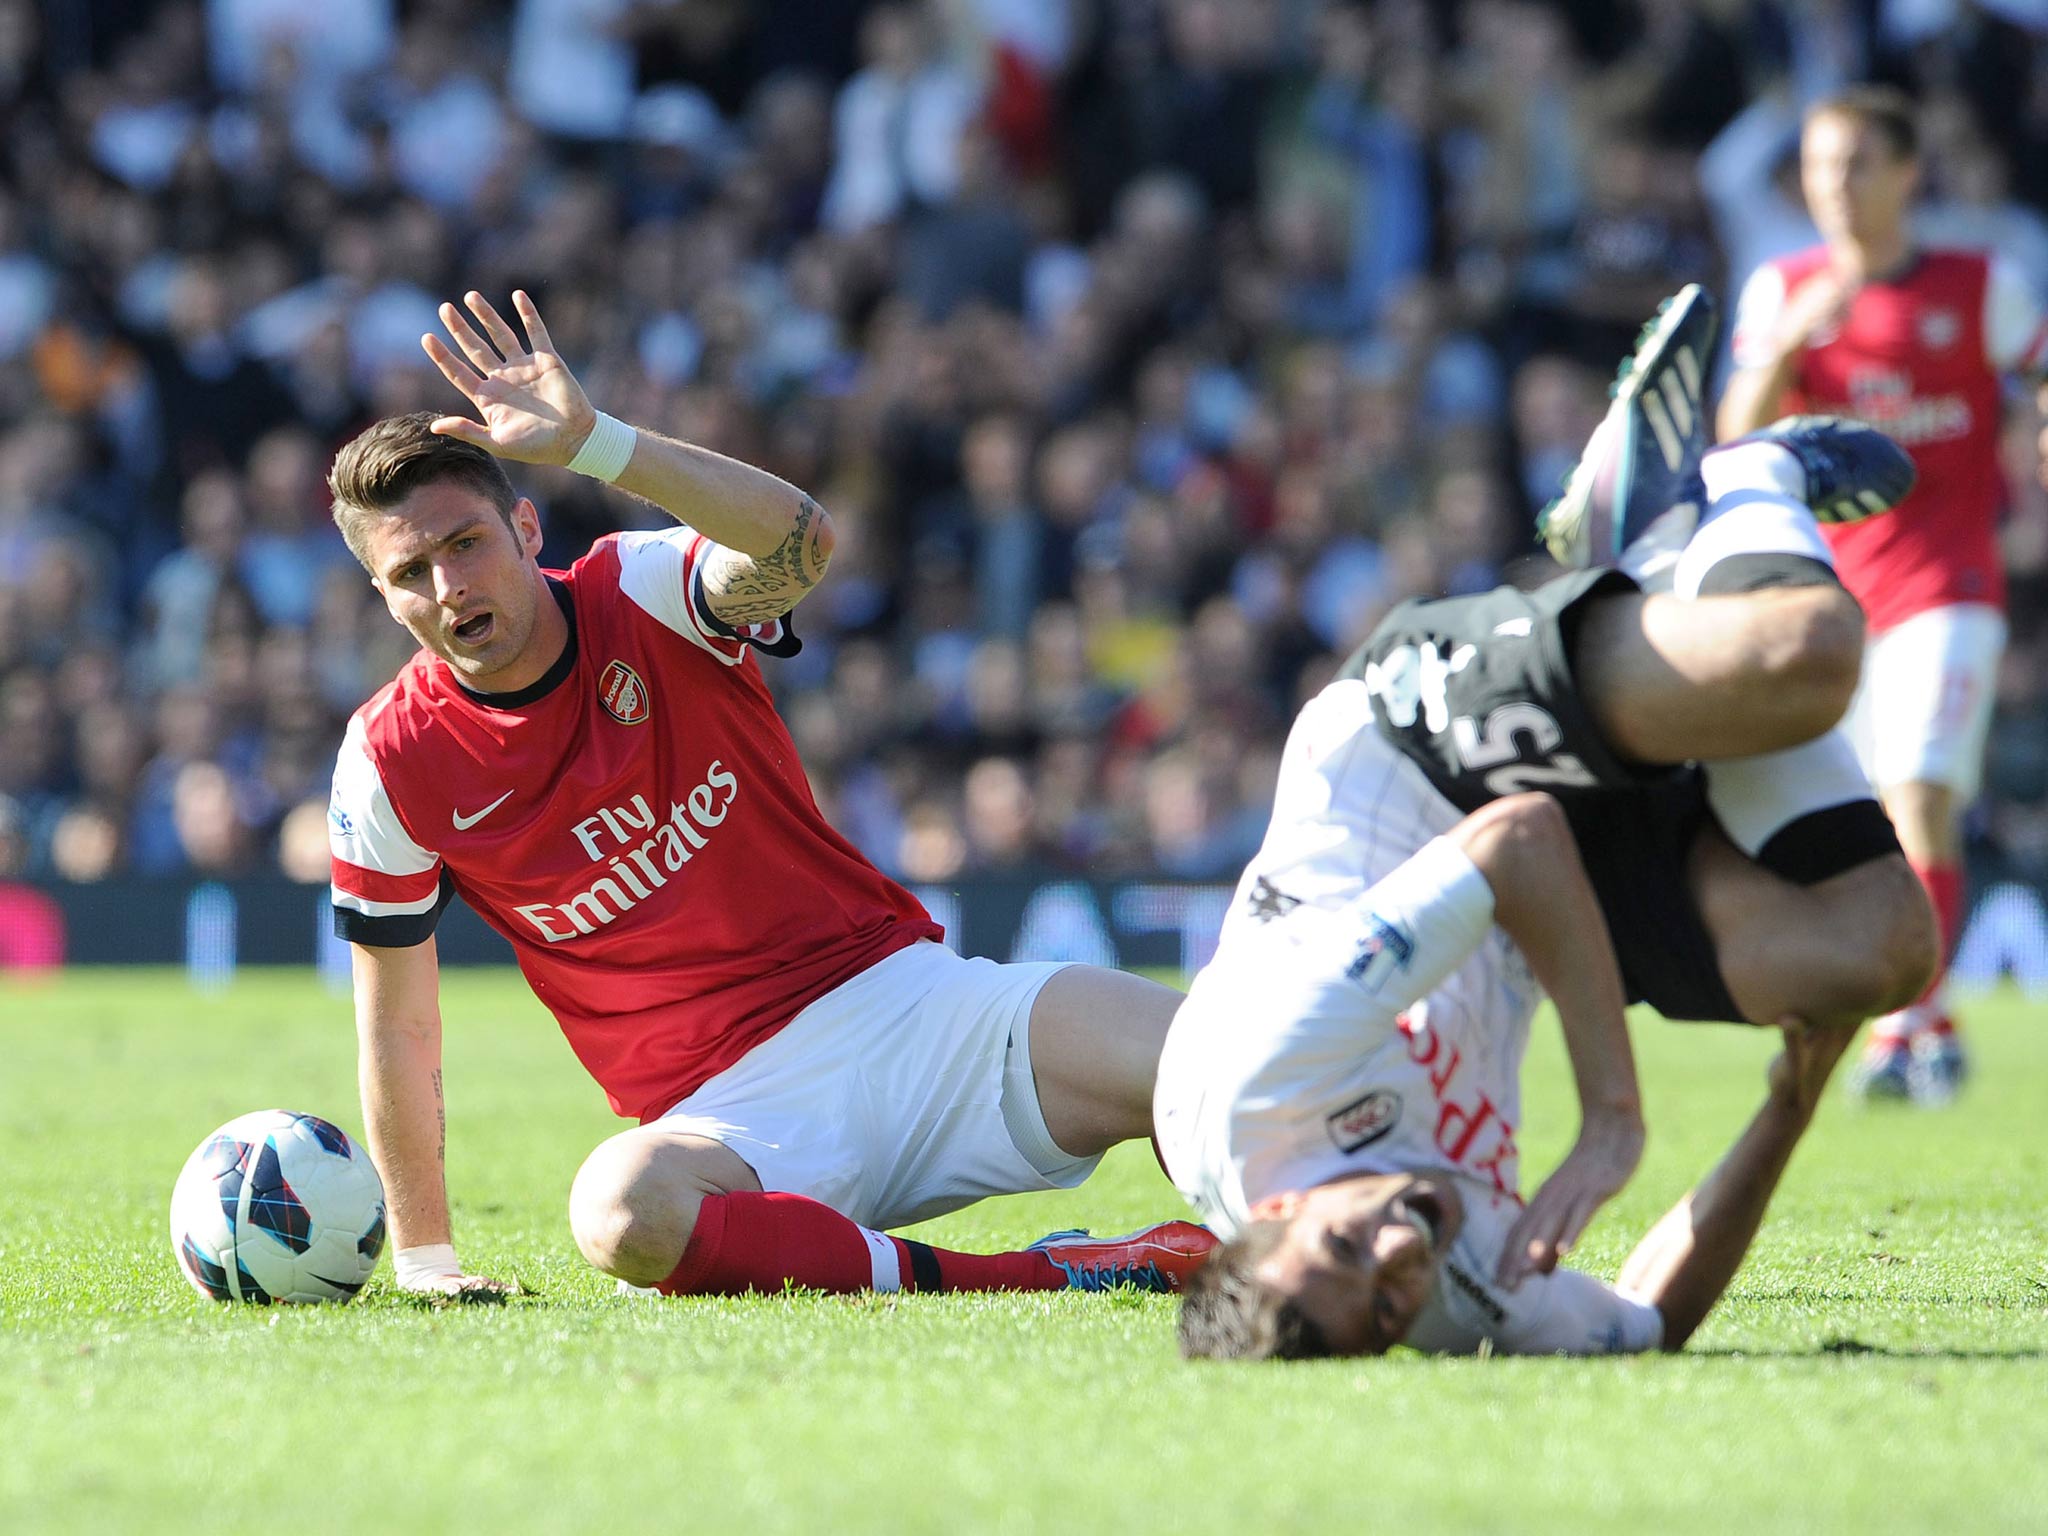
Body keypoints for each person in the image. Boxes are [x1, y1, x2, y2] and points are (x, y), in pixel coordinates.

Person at [325, 289, 1212, 1302]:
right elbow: (397, 1025)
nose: (447, 588)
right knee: (619, 1213)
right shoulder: (389, 762)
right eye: (410, 573)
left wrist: (598, 444)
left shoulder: (642, 591)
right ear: (381, 596)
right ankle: (1056, 1272)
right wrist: (428, 1262)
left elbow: (801, 545)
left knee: (1218, 1066)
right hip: (731, 1122)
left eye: (465, 544)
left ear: (526, 528)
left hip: (914, 1013)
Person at [1156, 287, 1938, 1357]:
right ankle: (1663, 553)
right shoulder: (1449, 1295)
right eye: (1386, 1305)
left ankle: (1735, 479)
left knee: (1801, 656)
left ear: (1278, 1213)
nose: (1397, 1257)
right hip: (1535, 918)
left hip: (1421, 762)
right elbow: (1644, 1321)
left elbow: (1513, 837)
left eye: (1345, 1249)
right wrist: (1787, 1107)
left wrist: (1610, 1116)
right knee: (1879, 953)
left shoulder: (1264, 1081)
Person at [1717, 86, 2048, 1104]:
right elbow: (1732, 442)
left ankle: (1900, 1018)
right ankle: (1926, 1020)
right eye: (1817, 168)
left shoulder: (1976, 284)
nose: (1833, 187)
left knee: (1919, 797)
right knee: (1861, 819)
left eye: (1855, 163)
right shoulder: (1781, 290)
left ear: (1906, 173)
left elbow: (2036, 372)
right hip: (1826, 600)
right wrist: (1785, 348)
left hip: (1948, 583)